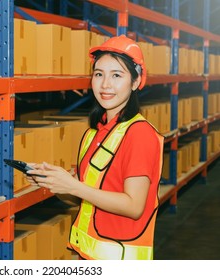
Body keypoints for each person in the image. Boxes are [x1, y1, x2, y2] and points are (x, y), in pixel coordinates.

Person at [26, 35, 164, 260]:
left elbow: (134, 206)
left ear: (136, 81)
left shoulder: (139, 134)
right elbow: (83, 199)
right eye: (99, 74)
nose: (105, 84)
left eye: (117, 75)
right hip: (87, 256)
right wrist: (56, 183)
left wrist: (74, 186)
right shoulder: (93, 134)